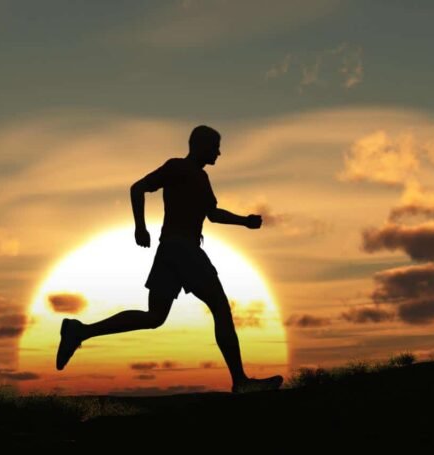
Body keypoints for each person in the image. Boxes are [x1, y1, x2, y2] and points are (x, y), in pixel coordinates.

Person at [55, 125, 283, 394]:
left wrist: (244, 221)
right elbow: (138, 188)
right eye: (215, 146)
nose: (219, 153)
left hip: (169, 252)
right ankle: (240, 382)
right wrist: (140, 227)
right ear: (200, 145)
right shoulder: (178, 167)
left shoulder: (202, 178)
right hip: (183, 249)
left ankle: (80, 331)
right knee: (220, 308)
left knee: (154, 317)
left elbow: (212, 214)